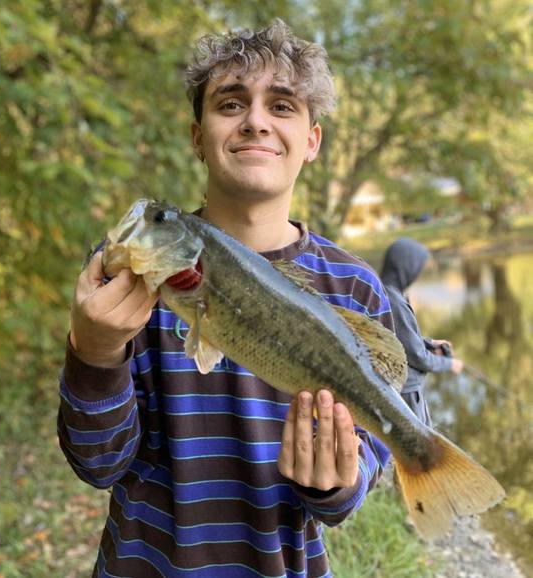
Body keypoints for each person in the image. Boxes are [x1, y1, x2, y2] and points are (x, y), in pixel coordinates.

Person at [58, 20, 395, 578]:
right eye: (231, 103)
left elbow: (358, 476)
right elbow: (98, 464)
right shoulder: (129, 276)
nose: (256, 121)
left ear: (312, 141)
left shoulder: (355, 286)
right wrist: (93, 353)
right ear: (198, 137)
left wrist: (339, 483)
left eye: (282, 106)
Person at [380, 238, 464, 427]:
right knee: (420, 441)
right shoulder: (394, 301)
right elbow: (418, 357)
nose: (418, 273)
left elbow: (396, 338)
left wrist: (429, 343)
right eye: (417, 267)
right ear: (405, 266)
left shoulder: (386, 292)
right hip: (407, 392)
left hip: (401, 388)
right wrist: (450, 364)